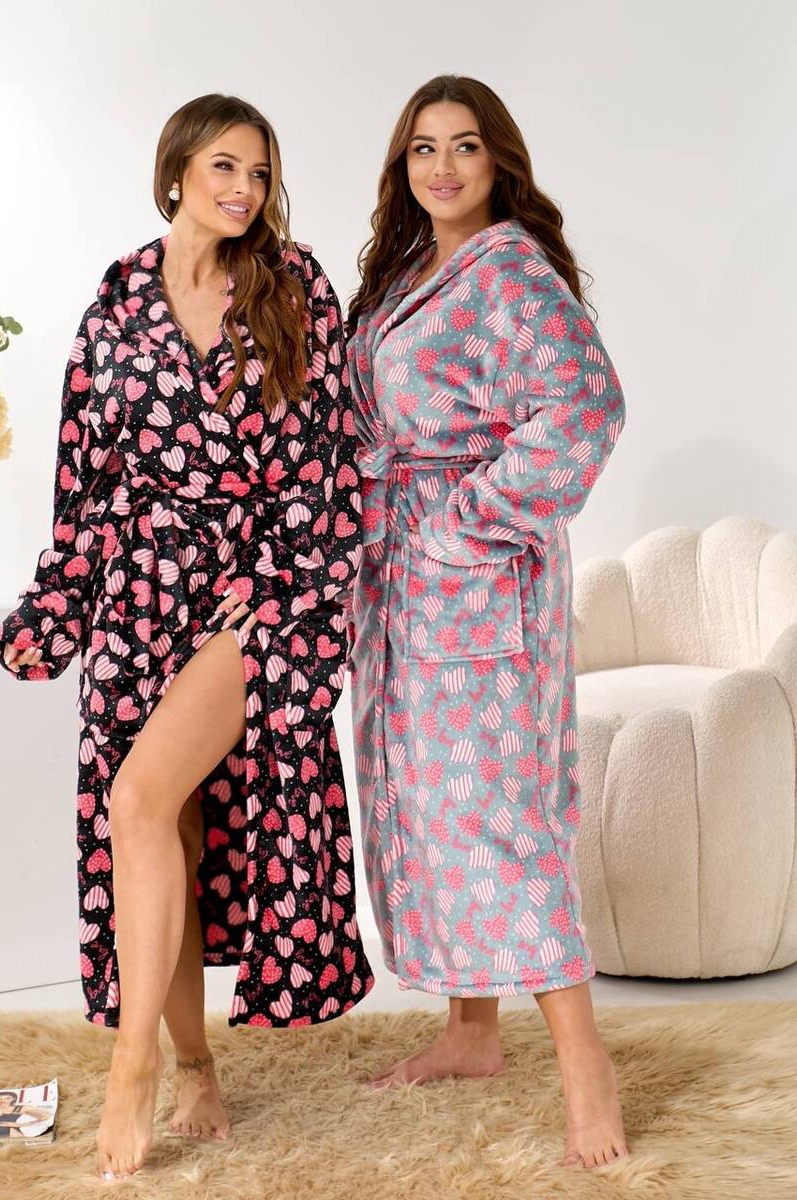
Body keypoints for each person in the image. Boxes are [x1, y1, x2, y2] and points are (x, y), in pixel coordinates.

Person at [0, 93, 373, 1181]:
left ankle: (133, 1071)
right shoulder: (115, 303)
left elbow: (334, 451)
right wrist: (60, 605)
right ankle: (194, 1063)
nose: (244, 188)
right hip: (137, 594)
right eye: (223, 167)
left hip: (255, 597)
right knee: (173, 832)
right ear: (175, 174)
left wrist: (284, 578)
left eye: (259, 171)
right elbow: (85, 477)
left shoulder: (295, 287)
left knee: (139, 797)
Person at [345, 74, 629, 1170]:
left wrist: (464, 525)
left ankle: (586, 1069)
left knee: (500, 816)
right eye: (424, 148)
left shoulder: (511, 272)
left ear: (498, 159)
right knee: (433, 806)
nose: (444, 167)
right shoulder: (410, 272)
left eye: (465, 146)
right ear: (403, 165)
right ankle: (471, 1031)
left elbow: (588, 405)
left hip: (474, 578)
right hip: (404, 579)